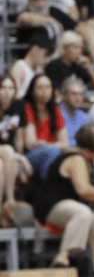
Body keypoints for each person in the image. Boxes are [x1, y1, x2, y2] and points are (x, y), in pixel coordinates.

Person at [32, 123, 94, 270]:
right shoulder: (75, 158)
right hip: (53, 206)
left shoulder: (88, 161)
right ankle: (63, 255)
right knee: (83, 212)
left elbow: (92, 194)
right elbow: (83, 190)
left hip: (78, 209)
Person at [0, 74, 32, 215]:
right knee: (7, 150)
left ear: (15, 91)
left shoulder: (18, 105)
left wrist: (20, 156)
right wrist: (21, 157)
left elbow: (19, 138)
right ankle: (10, 199)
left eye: (11, 88)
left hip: (8, 156)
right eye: (2, 88)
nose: (7, 92)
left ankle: (2, 213)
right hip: (6, 151)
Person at [10, 34, 52, 98]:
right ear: (35, 49)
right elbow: (13, 96)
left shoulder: (40, 70)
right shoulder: (19, 68)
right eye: (45, 55)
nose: (47, 60)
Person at [59, 77, 89, 147]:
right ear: (64, 94)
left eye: (81, 94)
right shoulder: (57, 113)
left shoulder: (83, 116)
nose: (78, 98)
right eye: (74, 94)